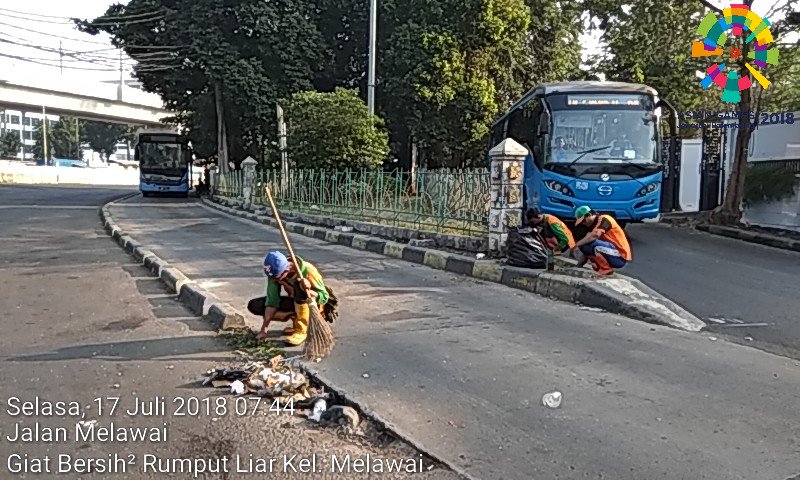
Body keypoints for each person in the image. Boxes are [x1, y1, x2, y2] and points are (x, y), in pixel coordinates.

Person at [247, 251, 330, 346]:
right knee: (255, 306)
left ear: (287, 270)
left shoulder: (308, 270)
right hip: (295, 302)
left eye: (277, 278)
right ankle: (295, 317)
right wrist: (264, 329)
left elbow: (324, 297)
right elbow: (272, 302)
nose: (274, 280)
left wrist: (309, 291)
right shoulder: (274, 274)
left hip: (314, 305)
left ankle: (301, 330)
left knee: (300, 286)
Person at [569, 206, 632, 275]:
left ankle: (606, 270)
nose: (583, 224)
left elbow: (595, 235)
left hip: (620, 256)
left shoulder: (605, 219)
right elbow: (586, 250)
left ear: (589, 215)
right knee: (585, 245)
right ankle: (600, 267)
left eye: (584, 221)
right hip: (612, 253)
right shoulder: (593, 228)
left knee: (589, 242)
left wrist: (576, 245)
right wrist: (578, 266)